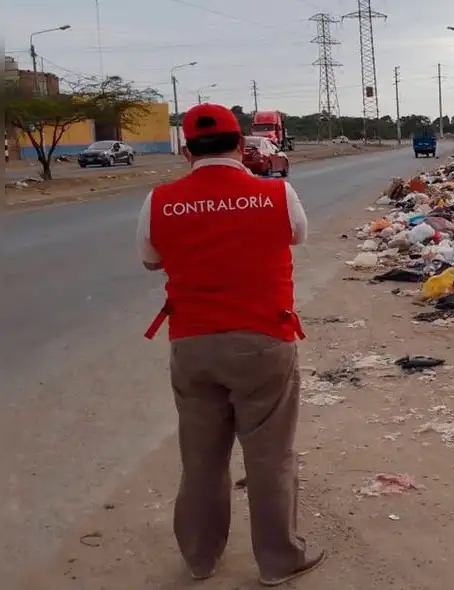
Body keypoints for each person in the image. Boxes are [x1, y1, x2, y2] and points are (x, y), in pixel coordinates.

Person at [136, 103, 325, 586]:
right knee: (269, 456)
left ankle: (200, 559)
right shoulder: (277, 193)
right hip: (264, 339)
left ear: (185, 152)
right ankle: (279, 560)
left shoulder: (158, 201)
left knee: (200, 457)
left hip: (193, 344)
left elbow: (151, 261)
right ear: (241, 146)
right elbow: (297, 237)